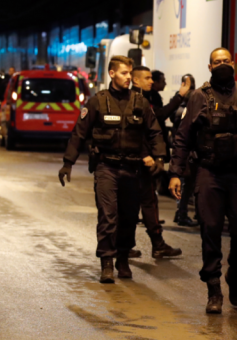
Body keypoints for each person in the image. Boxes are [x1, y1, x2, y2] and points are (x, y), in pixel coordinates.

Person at [168, 48, 237, 314]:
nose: (221, 65)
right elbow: (182, 138)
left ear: (233, 64)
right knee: (210, 228)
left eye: (226, 61)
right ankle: (214, 288)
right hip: (209, 173)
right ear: (209, 66)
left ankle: (235, 273)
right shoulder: (198, 97)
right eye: (216, 62)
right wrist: (175, 172)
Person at [58, 56, 170, 284]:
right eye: (124, 73)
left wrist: (159, 158)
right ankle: (106, 262)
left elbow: (155, 132)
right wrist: (68, 162)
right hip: (106, 167)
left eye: (130, 73)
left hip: (132, 168)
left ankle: (122, 259)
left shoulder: (140, 102)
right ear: (112, 74)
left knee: (128, 217)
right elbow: (79, 133)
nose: (129, 77)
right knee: (108, 216)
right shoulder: (97, 102)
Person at [121, 66, 182, 258]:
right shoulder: (135, 101)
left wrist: (158, 156)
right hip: (135, 163)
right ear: (135, 81)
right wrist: (146, 154)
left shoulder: (144, 99)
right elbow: (134, 133)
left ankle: (128, 245)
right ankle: (155, 244)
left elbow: (153, 131)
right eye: (147, 78)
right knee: (145, 203)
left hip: (139, 161)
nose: (151, 81)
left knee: (138, 204)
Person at [169, 74, 199, 227]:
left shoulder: (179, 103)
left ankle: (181, 212)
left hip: (182, 148)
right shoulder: (185, 105)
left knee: (186, 183)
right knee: (188, 183)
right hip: (187, 149)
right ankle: (182, 213)